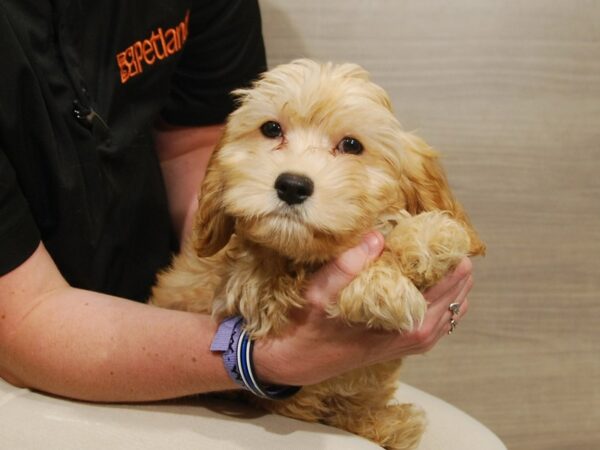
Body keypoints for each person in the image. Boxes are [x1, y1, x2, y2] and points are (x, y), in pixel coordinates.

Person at [0, 0, 473, 403]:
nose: (296, 171)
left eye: (349, 147)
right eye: (275, 133)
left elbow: (195, 143)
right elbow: (23, 323)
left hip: (165, 328)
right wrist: (255, 354)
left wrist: (273, 275)